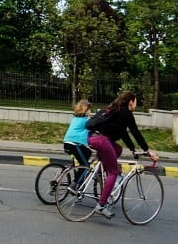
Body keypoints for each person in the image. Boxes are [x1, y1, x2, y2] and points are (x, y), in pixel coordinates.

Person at [86, 90, 158, 218]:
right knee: (114, 172)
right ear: (131, 101)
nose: (136, 104)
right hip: (102, 141)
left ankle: (102, 169)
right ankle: (101, 205)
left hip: (92, 138)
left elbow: (124, 134)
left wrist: (132, 149)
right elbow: (135, 132)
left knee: (118, 149)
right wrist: (147, 150)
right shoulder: (126, 113)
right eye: (136, 102)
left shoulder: (115, 109)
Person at [62, 100, 93, 176]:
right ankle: (76, 184)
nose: (90, 111)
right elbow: (93, 128)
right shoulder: (86, 120)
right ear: (84, 109)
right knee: (85, 166)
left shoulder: (75, 118)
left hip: (67, 143)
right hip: (75, 144)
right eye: (89, 109)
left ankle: (78, 172)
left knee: (88, 152)